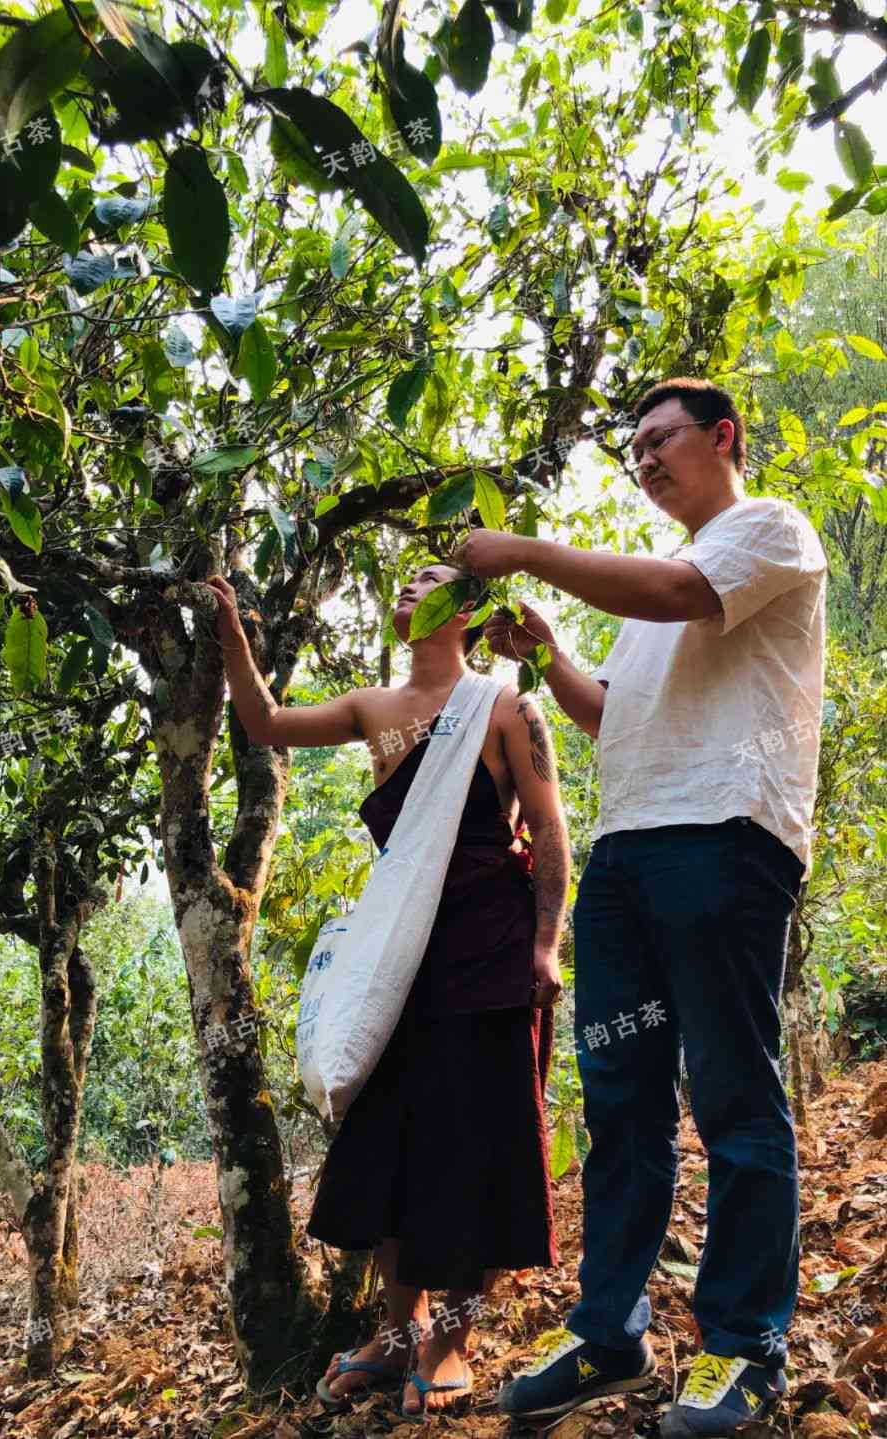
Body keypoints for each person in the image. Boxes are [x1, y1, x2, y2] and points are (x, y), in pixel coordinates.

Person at [448, 378, 827, 1439]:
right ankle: (609, 1330)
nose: (646, 458)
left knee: (735, 1098)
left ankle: (744, 1342)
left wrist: (525, 548)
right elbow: (610, 710)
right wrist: (551, 653)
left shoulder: (765, 533)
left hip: (725, 843)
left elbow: (675, 595)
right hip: (626, 862)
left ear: (724, 435)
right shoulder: (662, 590)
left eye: (660, 439)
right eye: (635, 449)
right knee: (623, 1101)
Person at [201, 560, 571, 1421]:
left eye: (432, 582)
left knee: (484, 1142)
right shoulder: (374, 708)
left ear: (469, 611)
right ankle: (396, 1332)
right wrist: (231, 632)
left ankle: (452, 1343)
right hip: (402, 952)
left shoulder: (509, 708)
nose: (407, 590)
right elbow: (262, 723)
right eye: (400, 582)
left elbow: (550, 829)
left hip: (491, 944)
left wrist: (547, 944)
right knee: (395, 1136)